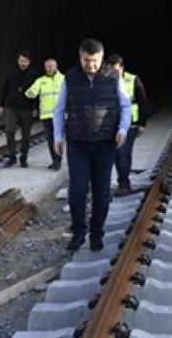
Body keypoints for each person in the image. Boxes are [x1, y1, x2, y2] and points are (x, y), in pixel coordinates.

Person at [53, 38, 132, 252]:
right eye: (87, 60)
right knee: (77, 190)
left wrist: (123, 129)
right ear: (80, 57)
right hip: (77, 143)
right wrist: (57, 137)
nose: (91, 65)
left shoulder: (113, 77)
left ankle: (97, 233)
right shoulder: (70, 79)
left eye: (95, 61)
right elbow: (59, 109)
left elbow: (126, 106)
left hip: (105, 143)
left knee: (102, 191)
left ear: (101, 57)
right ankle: (79, 231)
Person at [108, 54, 150, 196]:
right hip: (111, 125)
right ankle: (121, 182)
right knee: (113, 155)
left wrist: (142, 123)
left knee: (124, 154)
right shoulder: (106, 80)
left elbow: (143, 102)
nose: (114, 73)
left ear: (122, 68)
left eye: (116, 70)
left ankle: (124, 184)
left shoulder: (133, 80)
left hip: (130, 124)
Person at [0, 51, 40, 167]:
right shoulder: (11, 72)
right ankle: (12, 157)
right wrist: (1, 105)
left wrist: (36, 108)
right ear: (18, 61)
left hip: (27, 108)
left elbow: (38, 93)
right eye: (21, 61)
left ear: (29, 62)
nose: (23, 63)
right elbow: (4, 88)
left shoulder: (34, 74)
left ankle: (23, 158)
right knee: (9, 131)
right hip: (11, 107)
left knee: (26, 135)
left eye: (25, 61)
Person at [25, 58, 65, 171]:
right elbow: (32, 91)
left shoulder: (63, 79)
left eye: (50, 66)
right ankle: (55, 160)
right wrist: (29, 93)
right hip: (46, 116)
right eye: (46, 67)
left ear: (55, 67)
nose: (48, 69)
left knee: (59, 139)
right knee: (51, 139)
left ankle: (58, 161)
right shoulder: (41, 80)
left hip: (60, 115)